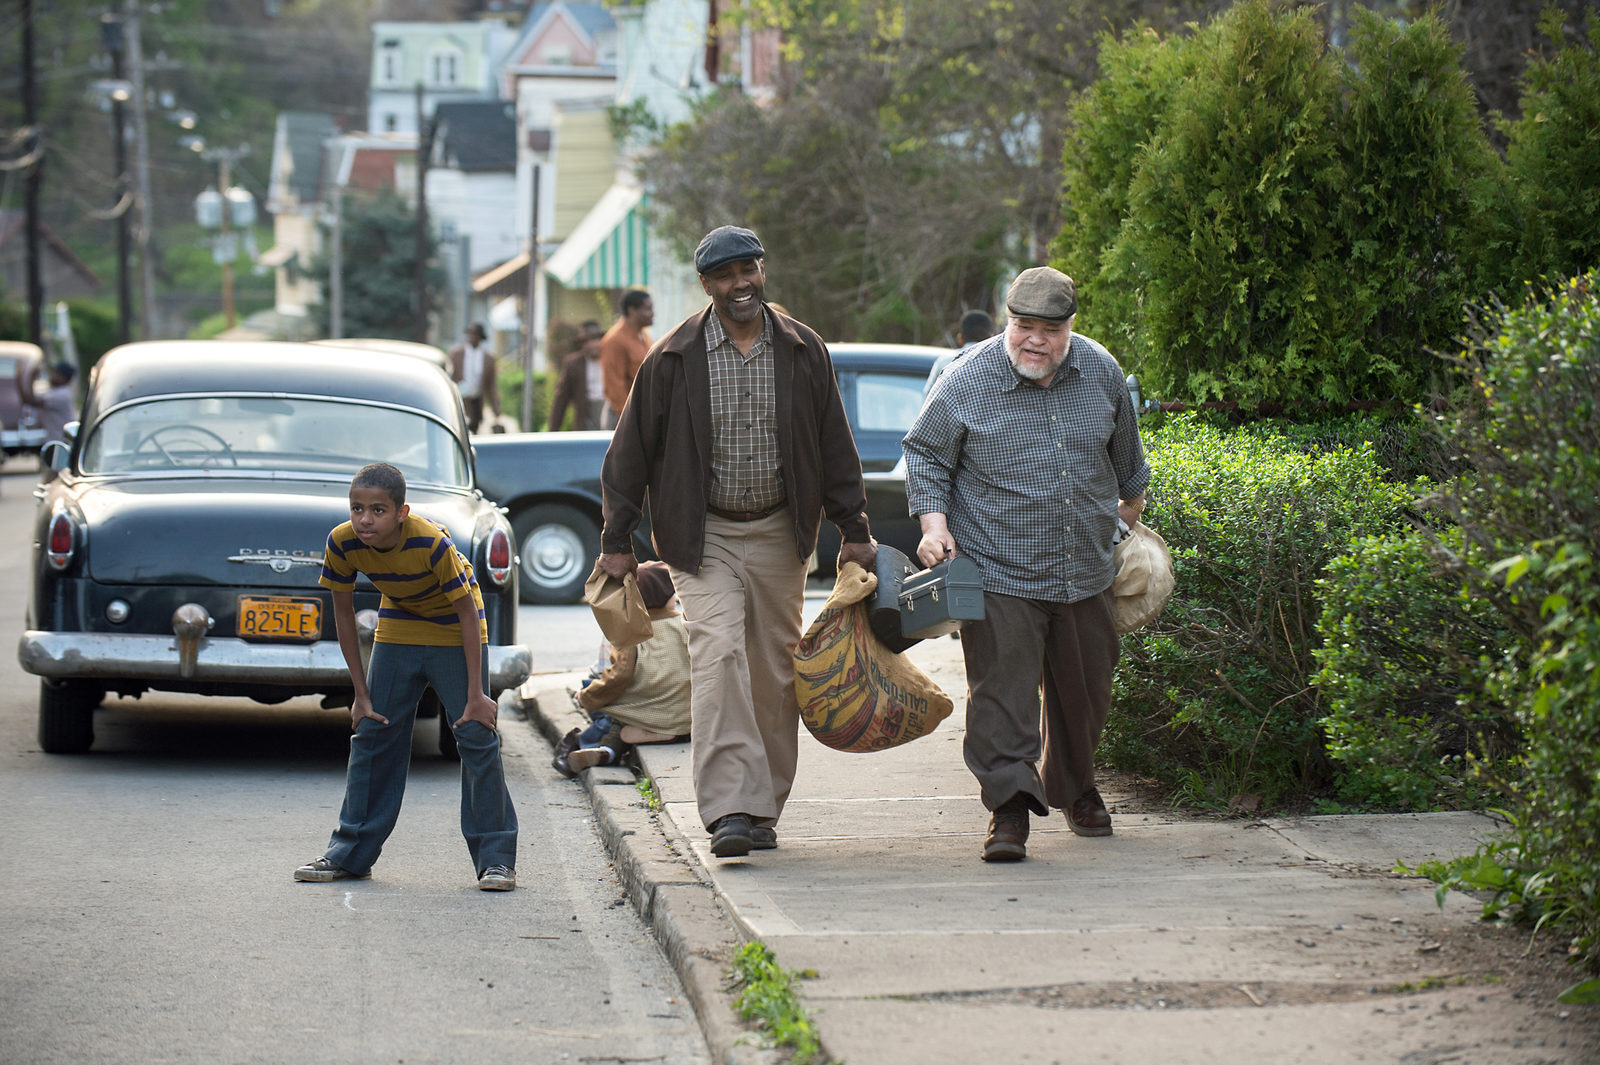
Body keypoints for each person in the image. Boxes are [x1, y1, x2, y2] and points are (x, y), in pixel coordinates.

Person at [597, 225, 877, 859]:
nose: (740, 284)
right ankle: (729, 809)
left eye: (748, 269)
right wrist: (617, 539)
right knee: (718, 653)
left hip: (782, 530)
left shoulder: (804, 349)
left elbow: (835, 443)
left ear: (762, 271)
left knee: (775, 670)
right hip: (704, 534)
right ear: (707, 286)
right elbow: (629, 453)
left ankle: (765, 804)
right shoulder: (672, 358)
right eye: (725, 276)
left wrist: (853, 529)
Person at [903, 266, 1150, 863]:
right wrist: (934, 527)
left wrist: (1120, 522)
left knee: (1085, 693)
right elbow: (925, 456)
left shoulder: (1101, 372)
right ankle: (1009, 809)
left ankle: (1075, 788)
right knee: (1003, 697)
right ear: (1007, 320)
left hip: (1084, 569)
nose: (1033, 340)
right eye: (1022, 326)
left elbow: (1131, 469)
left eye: (1049, 329)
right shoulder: (967, 380)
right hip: (1000, 569)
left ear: (1071, 328)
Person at [295, 462, 519, 889]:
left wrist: (476, 695)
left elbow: (467, 612)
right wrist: (360, 695)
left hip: (457, 627)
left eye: (378, 510)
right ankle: (349, 854)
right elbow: (343, 616)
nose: (365, 519)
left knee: (474, 734)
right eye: (357, 508)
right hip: (399, 622)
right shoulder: (342, 543)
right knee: (372, 733)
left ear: (401, 512)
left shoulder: (430, 542)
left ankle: (496, 859)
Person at [551, 561, 692, 776]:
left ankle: (602, 749)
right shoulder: (685, 625)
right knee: (626, 711)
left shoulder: (630, 630)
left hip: (643, 709)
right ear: (667, 596)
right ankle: (615, 747)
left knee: (605, 703)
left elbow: (619, 676)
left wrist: (587, 697)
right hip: (684, 715)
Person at [598, 290, 654, 427]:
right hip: (622, 416)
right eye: (647, 309)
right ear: (632, 310)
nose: (652, 313)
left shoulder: (644, 336)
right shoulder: (615, 340)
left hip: (641, 412)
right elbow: (614, 387)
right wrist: (630, 421)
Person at [548, 320, 607, 430]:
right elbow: (561, 399)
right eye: (586, 341)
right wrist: (553, 430)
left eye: (595, 339)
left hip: (609, 413)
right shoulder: (573, 364)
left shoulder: (612, 359)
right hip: (586, 418)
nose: (592, 344)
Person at [449, 323, 499, 432]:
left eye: (475, 335)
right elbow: (451, 377)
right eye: (470, 334)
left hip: (477, 401)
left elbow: (491, 386)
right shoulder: (457, 354)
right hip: (461, 399)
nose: (472, 337)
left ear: (480, 338)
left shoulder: (488, 358)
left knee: (474, 429)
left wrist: (496, 411)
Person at [16, 357, 77, 446]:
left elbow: (29, 400)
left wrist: (28, 377)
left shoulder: (62, 395)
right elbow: (27, 398)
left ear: (64, 378)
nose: (51, 375)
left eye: (56, 373)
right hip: (56, 441)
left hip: (61, 443)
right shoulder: (54, 391)